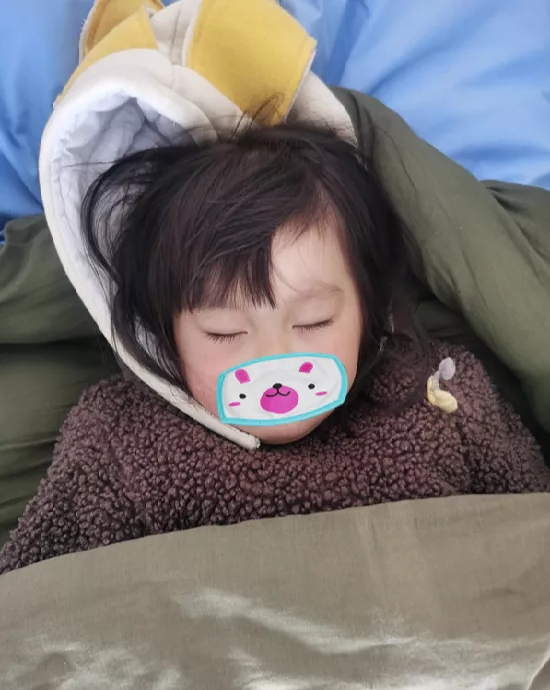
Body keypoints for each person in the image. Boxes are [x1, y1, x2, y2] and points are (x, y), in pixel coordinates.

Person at [1, 122, 547, 574]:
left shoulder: (443, 397)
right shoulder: (118, 436)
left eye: (313, 321)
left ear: (368, 311)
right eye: (223, 332)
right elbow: (37, 605)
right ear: (167, 334)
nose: (273, 360)